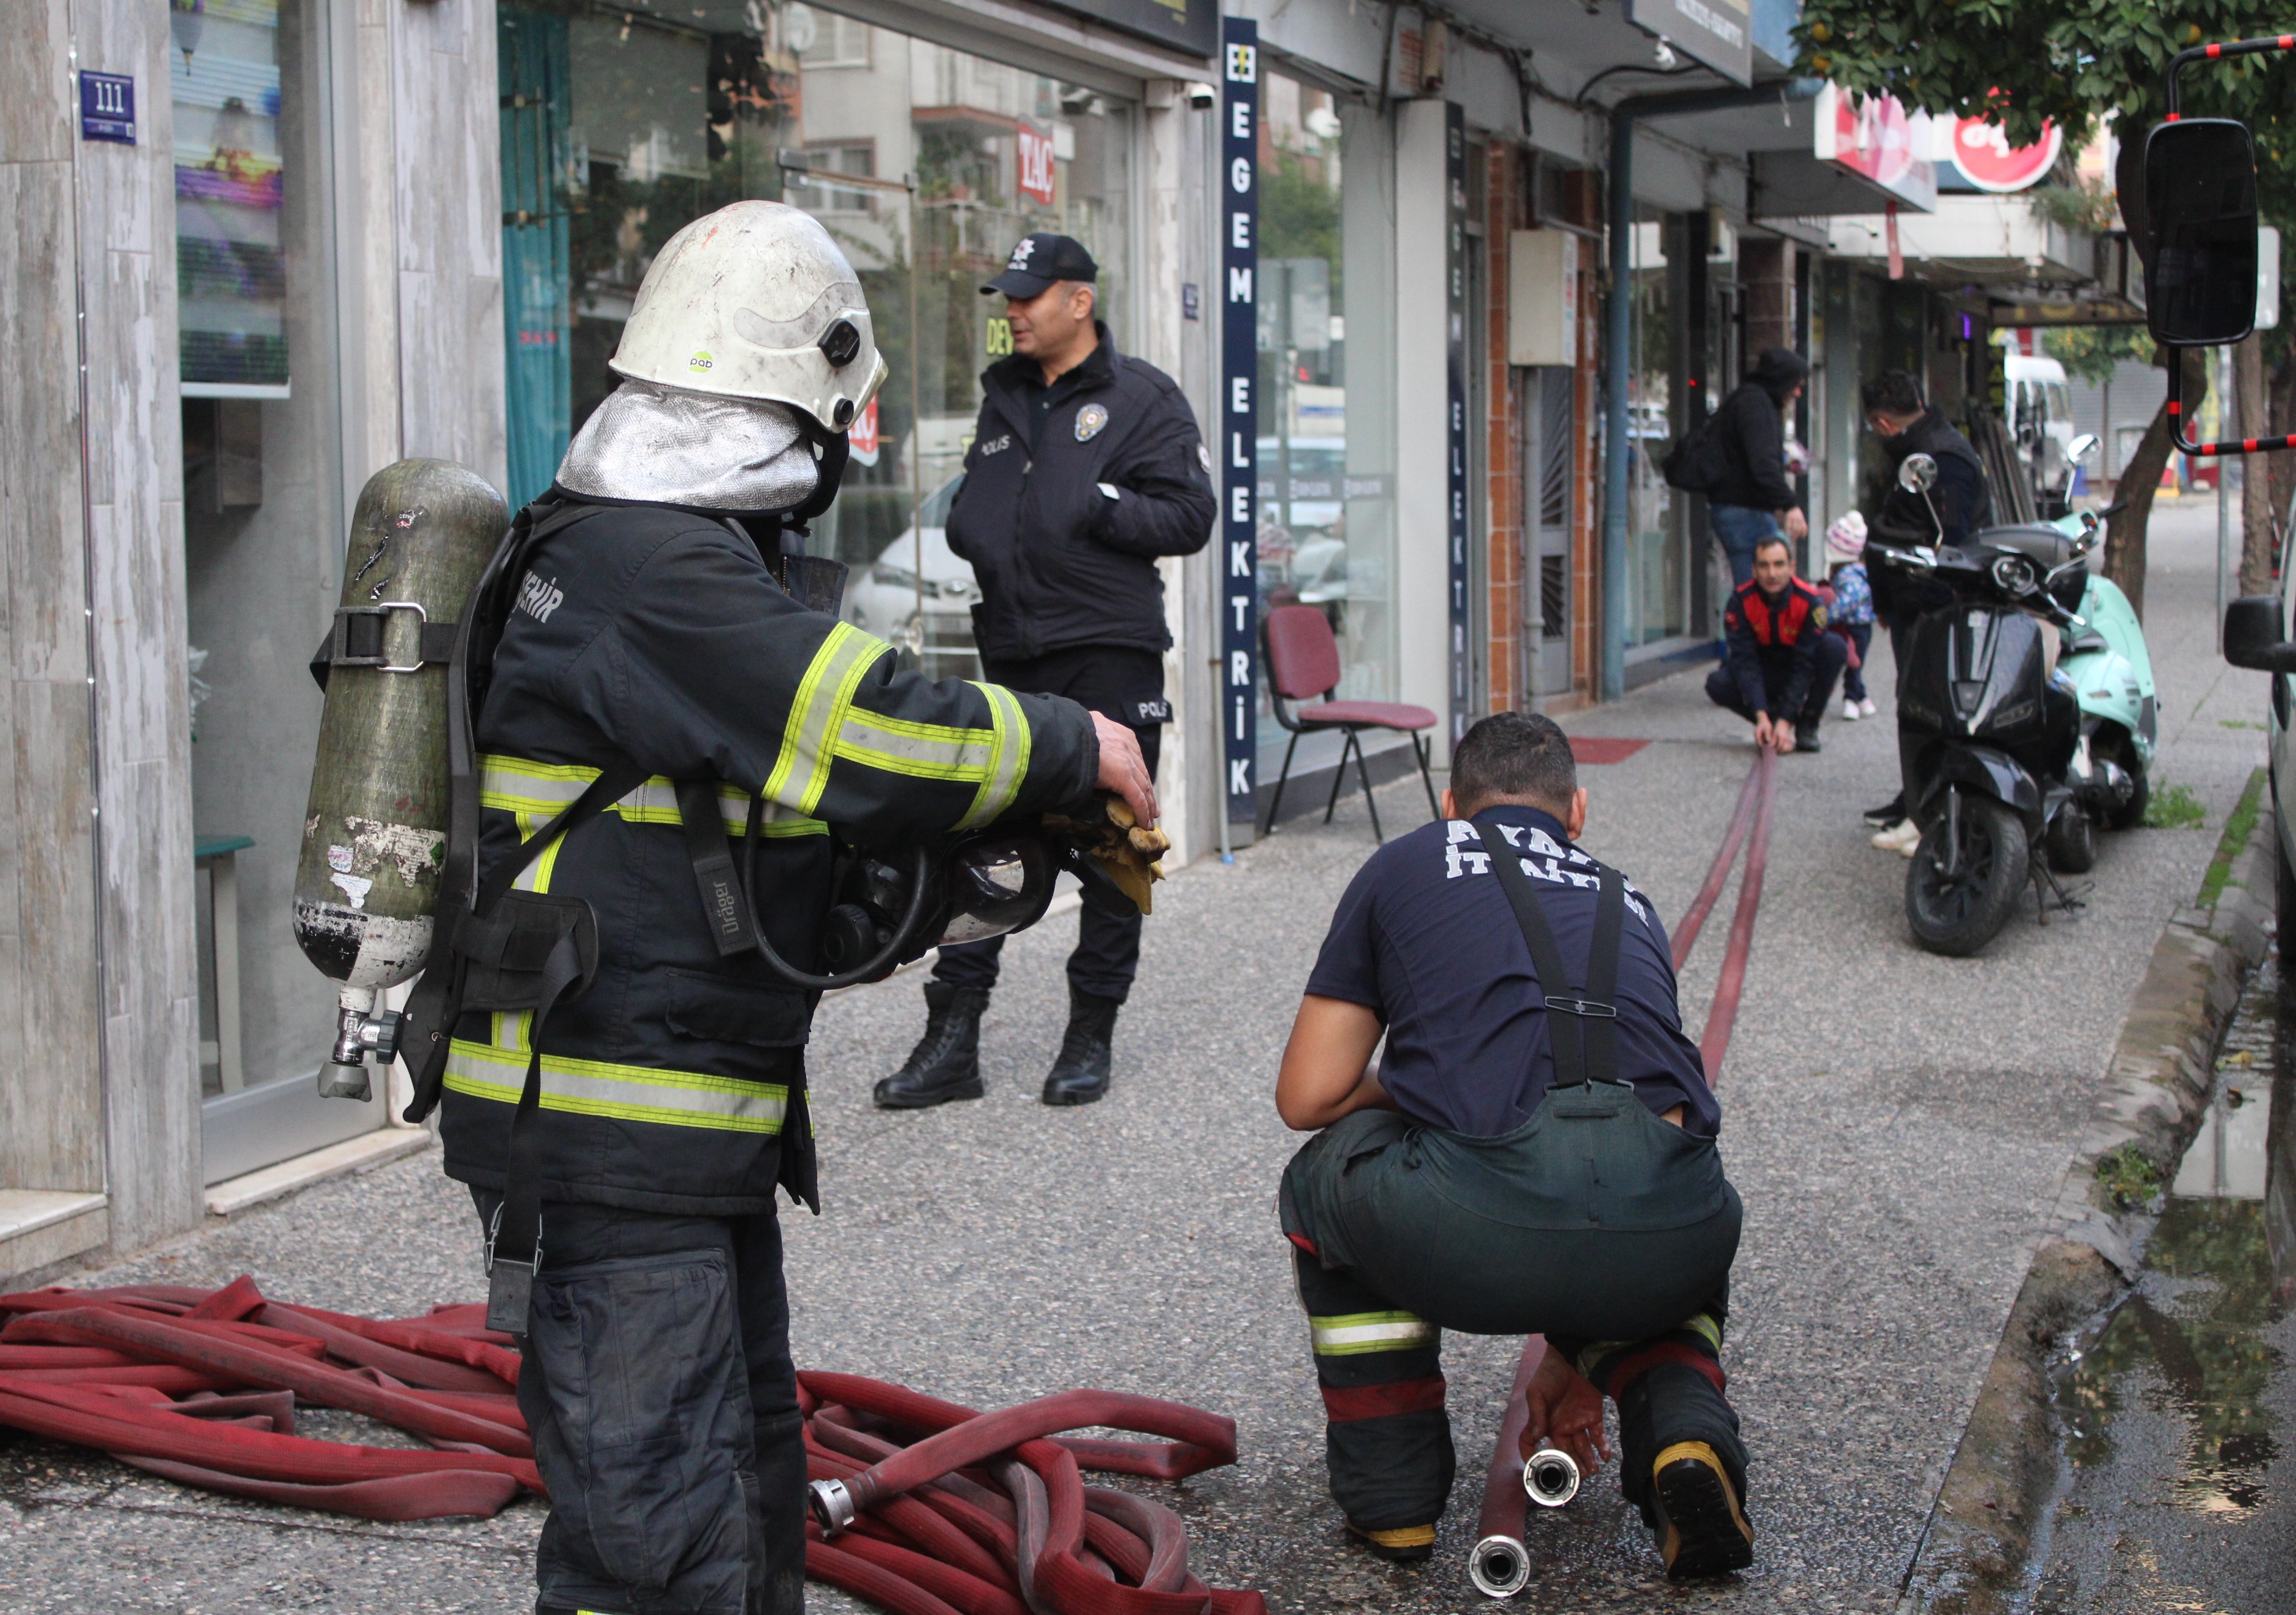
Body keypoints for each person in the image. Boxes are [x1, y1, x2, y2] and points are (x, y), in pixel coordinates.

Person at [436, 202, 1150, 1615]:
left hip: (674, 1130)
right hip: (612, 1143)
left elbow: (736, 821)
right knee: (656, 1548)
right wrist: (1075, 742)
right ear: (800, 404)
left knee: (749, 1490)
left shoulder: (629, 547)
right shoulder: (650, 570)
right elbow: (861, 726)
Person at [1273, 713, 1748, 1579]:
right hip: (1680, 1239)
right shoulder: (1627, 896)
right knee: (1660, 1190)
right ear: (1579, 812)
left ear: (1450, 807)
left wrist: (1421, 1081)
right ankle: (1684, 1433)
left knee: (1326, 1176)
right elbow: (1615, 1140)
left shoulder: (1407, 862)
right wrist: (1574, 1357)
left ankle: (1394, 1498)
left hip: (1477, 1236)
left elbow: (1309, 1096)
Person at [876, 231, 1215, 1112]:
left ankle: (1089, 1034)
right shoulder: (1006, 398)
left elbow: (1191, 516)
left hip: (1107, 652)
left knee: (1111, 849)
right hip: (1012, 654)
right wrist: (974, 524)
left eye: (1029, 296)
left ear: (1079, 301)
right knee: (978, 844)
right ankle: (953, 1039)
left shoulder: (1142, 397)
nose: (1014, 312)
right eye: (1008, 298)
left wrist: (1099, 504)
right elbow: (986, 502)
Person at [1858, 370, 1988, 845]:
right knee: (1917, 706)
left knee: (1929, 708)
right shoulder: (1926, 450)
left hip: (1934, 605)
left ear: (1883, 423)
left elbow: (1947, 543)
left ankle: (1931, 809)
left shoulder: (1940, 459)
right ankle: (1917, 796)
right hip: (1916, 602)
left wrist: (1917, 602)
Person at [1704, 535, 1839, 754]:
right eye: (1764, 566)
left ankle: (1807, 723)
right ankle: (1769, 724)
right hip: (1764, 668)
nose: (1772, 574)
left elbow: (1804, 665)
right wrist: (1761, 715)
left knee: (1834, 647)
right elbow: (1745, 662)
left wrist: (1786, 720)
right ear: (1754, 570)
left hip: (1795, 665)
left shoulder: (1810, 602)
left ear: (1792, 567)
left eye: (1779, 565)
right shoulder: (1740, 601)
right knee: (1717, 683)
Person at [1706, 347, 1812, 590]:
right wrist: (1789, 504)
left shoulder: (1751, 401)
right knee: (1762, 590)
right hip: (1746, 510)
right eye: (1796, 385)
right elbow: (1762, 464)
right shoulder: (1756, 407)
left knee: (1758, 587)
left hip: (1740, 507)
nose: (1797, 393)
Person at [1824, 511, 1876, 721]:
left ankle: (1852, 699)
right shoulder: (1857, 572)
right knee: (1855, 662)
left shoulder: (1848, 575)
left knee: (1853, 664)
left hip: (1855, 626)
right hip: (1861, 626)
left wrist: (1827, 616)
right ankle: (1862, 697)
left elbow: (1848, 601)